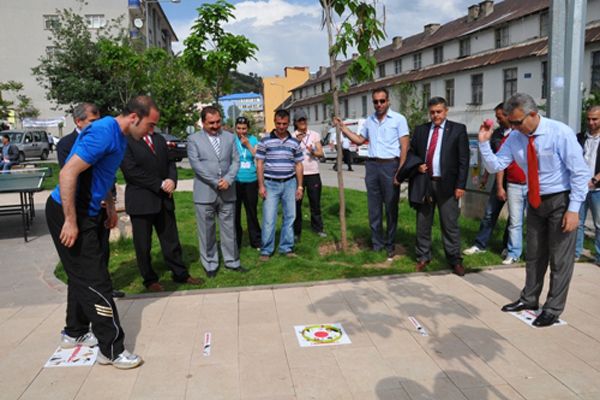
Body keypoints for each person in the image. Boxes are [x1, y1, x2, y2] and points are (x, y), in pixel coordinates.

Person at [45, 95, 159, 369]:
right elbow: (68, 173)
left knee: (80, 275)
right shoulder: (104, 133)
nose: (151, 131)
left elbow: (102, 175)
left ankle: (74, 331)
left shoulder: (119, 136)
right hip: (70, 211)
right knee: (97, 281)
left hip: (89, 210)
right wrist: (70, 221)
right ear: (134, 117)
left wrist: (109, 207)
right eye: (150, 125)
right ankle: (111, 349)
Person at [478, 93, 589, 327]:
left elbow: (580, 173)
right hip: (535, 200)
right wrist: (484, 143)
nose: (515, 127)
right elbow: (497, 165)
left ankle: (552, 308)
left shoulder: (559, 133)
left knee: (560, 259)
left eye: (518, 122)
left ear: (533, 114)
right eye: (512, 123)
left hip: (561, 199)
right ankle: (529, 299)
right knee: (535, 255)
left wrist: (574, 209)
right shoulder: (516, 137)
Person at [121, 130, 204, 292]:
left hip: (164, 200)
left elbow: (170, 163)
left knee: (171, 240)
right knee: (143, 244)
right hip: (141, 202)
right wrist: (159, 184)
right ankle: (149, 279)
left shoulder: (159, 139)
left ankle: (180, 273)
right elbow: (131, 172)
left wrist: (172, 180)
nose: (153, 126)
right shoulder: (126, 141)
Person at [333, 87, 409, 259]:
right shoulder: (369, 121)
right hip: (372, 166)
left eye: (382, 101)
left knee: (390, 208)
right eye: (376, 101)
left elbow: (405, 146)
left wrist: (400, 171)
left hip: (391, 165)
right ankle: (377, 244)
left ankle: (390, 244)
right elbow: (360, 140)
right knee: (374, 208)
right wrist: (343, 128)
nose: (379, 104)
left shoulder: (399, 119)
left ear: (388, 101)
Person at [410, 97, 469, 276]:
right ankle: (423, 256)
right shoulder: (421, 130)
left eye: (439, 112)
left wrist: (460, 185)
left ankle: (454, 259)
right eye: (433, 112)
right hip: (425, 183)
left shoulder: (458, 130)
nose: (435, 115)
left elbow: (463, 161)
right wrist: (417, 164)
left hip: (448, 185)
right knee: (423, 222)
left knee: (450, 224)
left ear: (446, 111)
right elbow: (411, 152)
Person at [464, 103, 528, 265]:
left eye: (500, 117)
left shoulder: (519, 133)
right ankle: (481, 243)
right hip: (501, 178)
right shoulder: (498, 134)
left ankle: (508, 247)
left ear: (508, 116)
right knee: (490, 213)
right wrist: (487, 177)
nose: (497, 120)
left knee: (514, 219)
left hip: (518, 180)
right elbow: (493, 158)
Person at [188, 106, 245, 278]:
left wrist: (228, 179)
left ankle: (232, 261)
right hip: (205, 193)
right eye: (211, 123)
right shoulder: (193, 139)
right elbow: (196, 165)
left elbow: (236, 161)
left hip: (227, 191)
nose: (215, 125)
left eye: (218, 121)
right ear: (203, 122)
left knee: (229, 229)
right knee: (207, 231)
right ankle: (210, 264)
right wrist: (215, 181)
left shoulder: (229, 137)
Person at [255, 109, 304, 261]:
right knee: (269, 218)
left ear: (289, 123)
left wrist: (300, 186)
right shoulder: (265, 141)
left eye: (284, 123)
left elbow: (298, 165)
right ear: (274, 122)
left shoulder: (295, 143)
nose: (281, 127)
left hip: (290, 183)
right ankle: (266, 250)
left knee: (290, 217)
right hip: (271, 184)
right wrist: (261, 186)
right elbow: (260, 164)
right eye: (278, 123)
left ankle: (286, 247)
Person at [293, 109, 326, 239]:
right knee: (296, 204)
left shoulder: (314, 135)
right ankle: (296, 232)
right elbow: (289, 153)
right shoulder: (292, 136)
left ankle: (317, 228)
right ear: (295, 122)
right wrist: (296, 141)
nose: (303, 122)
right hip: (297, 174)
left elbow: (321, 153)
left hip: (313, 173)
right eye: (300, 120)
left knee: (315, 203)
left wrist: (313, 151)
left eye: (304, 120)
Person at [575, 105, 600, 264]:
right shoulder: (579, 137)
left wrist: (595, 180)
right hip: (579, 188)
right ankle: (575, 254)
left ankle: (599, 256)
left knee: (599, 224)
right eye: (588, 119)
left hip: (597, 189)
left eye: (595, 119)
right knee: (577, 223)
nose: (591, 122)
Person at [234, 116, 262, 250]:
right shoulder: (232, 140)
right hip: (236, 181)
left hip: (251, 180)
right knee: (235, 213)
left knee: (251, 212)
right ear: (235, 129)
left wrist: (248, 145)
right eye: (239, 129)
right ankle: (236, 241)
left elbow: (258, 156)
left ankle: (256, 241)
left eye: (244, 128)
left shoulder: (254, 139)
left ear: (248, 128)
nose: (241, 131)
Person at [57, 103, 100, 168]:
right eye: (92, 121)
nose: (97, 124)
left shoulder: (102, 139)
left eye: (99, 121)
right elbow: (67, 172)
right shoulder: (65, 144)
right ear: (78, 122)